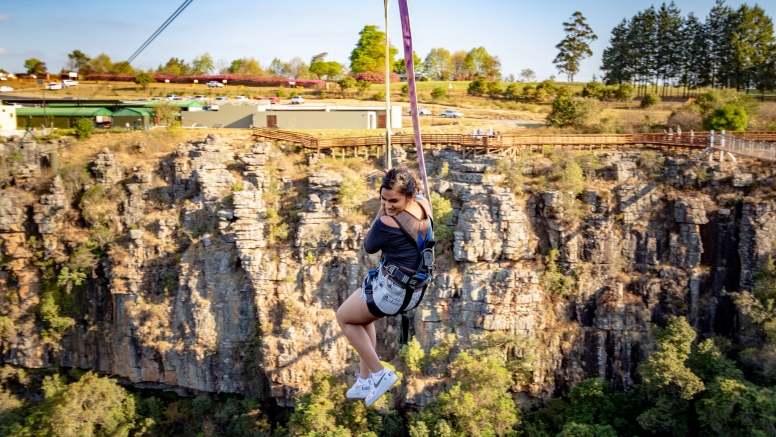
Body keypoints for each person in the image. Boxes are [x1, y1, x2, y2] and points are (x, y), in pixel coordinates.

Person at [336, 168, 434, 406]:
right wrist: (404, 192)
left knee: (345, 318)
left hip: (392, 292)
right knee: (362, 319)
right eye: (383, 200)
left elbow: (369, 245)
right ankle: (364, 380)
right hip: (413, 290)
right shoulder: (423, 205)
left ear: (408, 197)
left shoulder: (388, 222)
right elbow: (414, 194)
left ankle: (380, 374)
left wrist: (381, 211)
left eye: (394, 201)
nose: (388, 205)